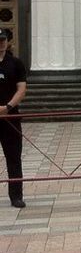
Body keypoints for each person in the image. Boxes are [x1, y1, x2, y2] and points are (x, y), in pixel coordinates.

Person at [0, 29, 27, 209]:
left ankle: (16, 196)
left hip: (11, 118)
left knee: (14, 158)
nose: (1, 43)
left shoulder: (16, 63)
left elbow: (22, 89)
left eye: (3, 40)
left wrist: (7, 107)